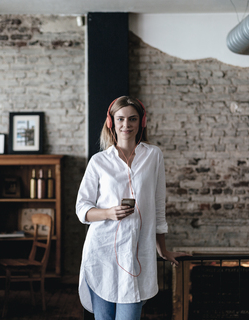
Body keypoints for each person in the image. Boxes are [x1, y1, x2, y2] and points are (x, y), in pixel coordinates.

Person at [76, 96, 189, 320]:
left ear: (142, 122)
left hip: (138, 253)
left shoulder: (154, 156)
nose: (126, 125)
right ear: (111, 122)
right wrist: (109, 213)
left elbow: (158, 207)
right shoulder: (98, 162)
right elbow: (82, 209)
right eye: (120, 119)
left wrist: (163, 250)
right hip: (101, 253)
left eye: (132, 119)